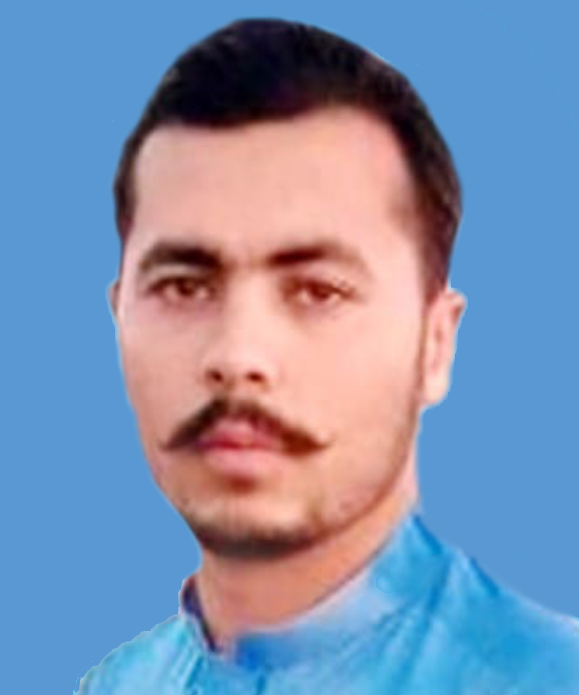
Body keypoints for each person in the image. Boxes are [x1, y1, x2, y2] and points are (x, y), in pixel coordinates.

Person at [78, 17, 579, 694]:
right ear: (119, 318)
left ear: (435, 344)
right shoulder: (115, 684)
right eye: (184, 287)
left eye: (318, 291)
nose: (238, 354)